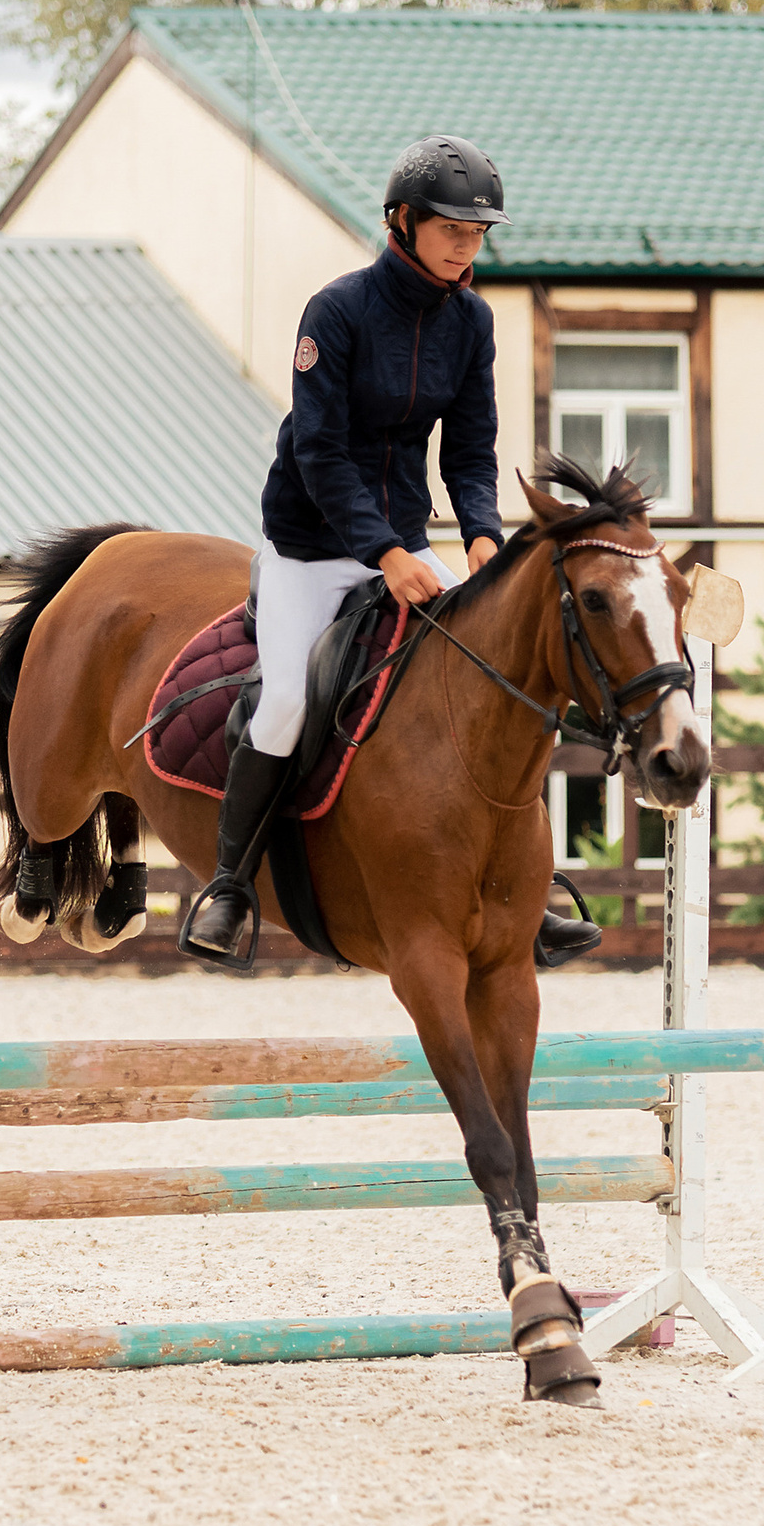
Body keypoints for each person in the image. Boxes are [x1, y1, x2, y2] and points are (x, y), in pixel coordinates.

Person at [180, 135, 600, 970]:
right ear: (401, 222)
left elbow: (470, 449)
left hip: (405, 544)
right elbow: (321, 454)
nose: (466, 244)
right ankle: (228, 886)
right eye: (452, 227)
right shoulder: (334, 312)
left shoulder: (472, 321)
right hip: (311, 549)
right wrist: (383, 551)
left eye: (479, 233)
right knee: (290, 701)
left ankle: (524, 889)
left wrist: (480, 532)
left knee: (486, 682)